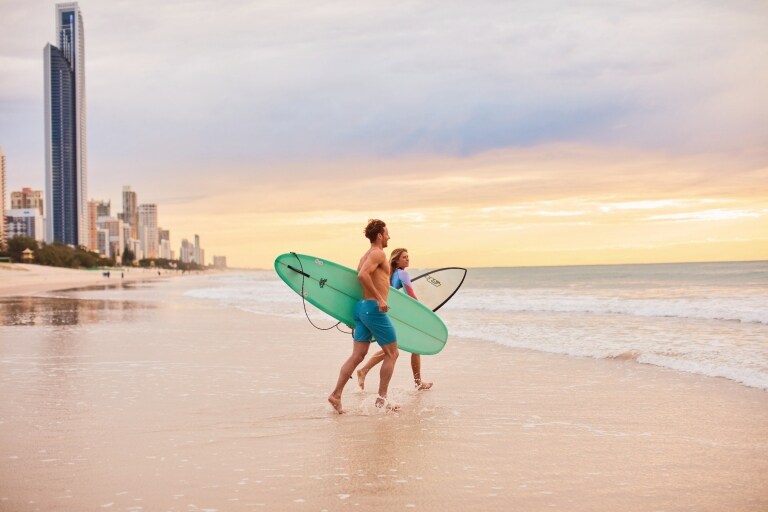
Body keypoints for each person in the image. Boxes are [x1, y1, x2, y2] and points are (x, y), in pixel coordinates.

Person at [327, 219, 401, 414]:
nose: (389, 237)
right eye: (386, 233)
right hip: (372, 309)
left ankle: (336, 394)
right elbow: (362, 276)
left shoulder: (365, 256)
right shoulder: (378, 253)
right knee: (393, 353)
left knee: (358, 355)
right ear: (379, 235)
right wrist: (379, 299)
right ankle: (381, 400)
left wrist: (356, 317)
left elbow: (357, 282)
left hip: (362, 309)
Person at [356, 248, 433, 391]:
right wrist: (424, 312)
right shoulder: (403, 273)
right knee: (404, 347)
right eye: (404, 257)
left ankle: (364, 370)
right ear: (397, 260)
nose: (407, 259)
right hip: (401, 314)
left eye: (408, 256)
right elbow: (411, 295)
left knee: (392, 348)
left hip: (390, 312)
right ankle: (417, 382)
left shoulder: (389, 274)